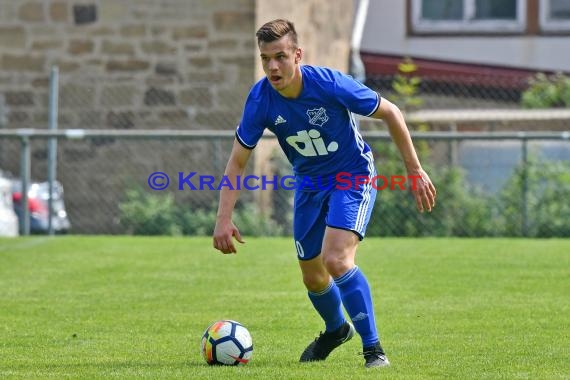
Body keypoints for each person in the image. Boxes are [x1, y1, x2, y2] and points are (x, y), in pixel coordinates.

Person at [213, 19, 436, 368]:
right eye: (265, 58)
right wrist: (223, 218)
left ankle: (374, 349)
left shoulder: (329, 84)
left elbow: (391, 112)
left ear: (297, 55)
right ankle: (336, 330)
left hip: (352, 176)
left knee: (336, 259)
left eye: (281, 57)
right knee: (312, 274)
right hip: (309, 184)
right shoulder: (260, 99)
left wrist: (414, 169)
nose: (273, 66)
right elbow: (237, 161)